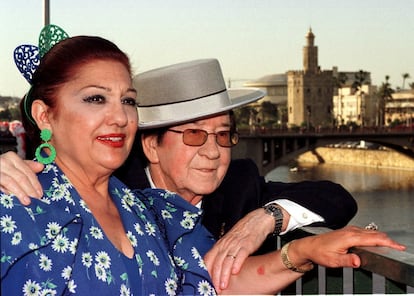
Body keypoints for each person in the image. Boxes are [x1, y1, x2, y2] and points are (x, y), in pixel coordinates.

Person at [2, 56, 405, 294]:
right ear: (151, 145)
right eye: (194, 134)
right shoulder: (120, 193)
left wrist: (267, 219)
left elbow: (336, 197)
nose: (213, 152)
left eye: (224, 135)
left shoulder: (239, 183)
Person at [1, 25, 216, 295]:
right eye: (96, 98)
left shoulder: (153, 214)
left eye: (128, 101)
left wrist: (282, 242)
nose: (121, 117)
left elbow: (225, 276)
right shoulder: (13, 208)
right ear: (44, 115)